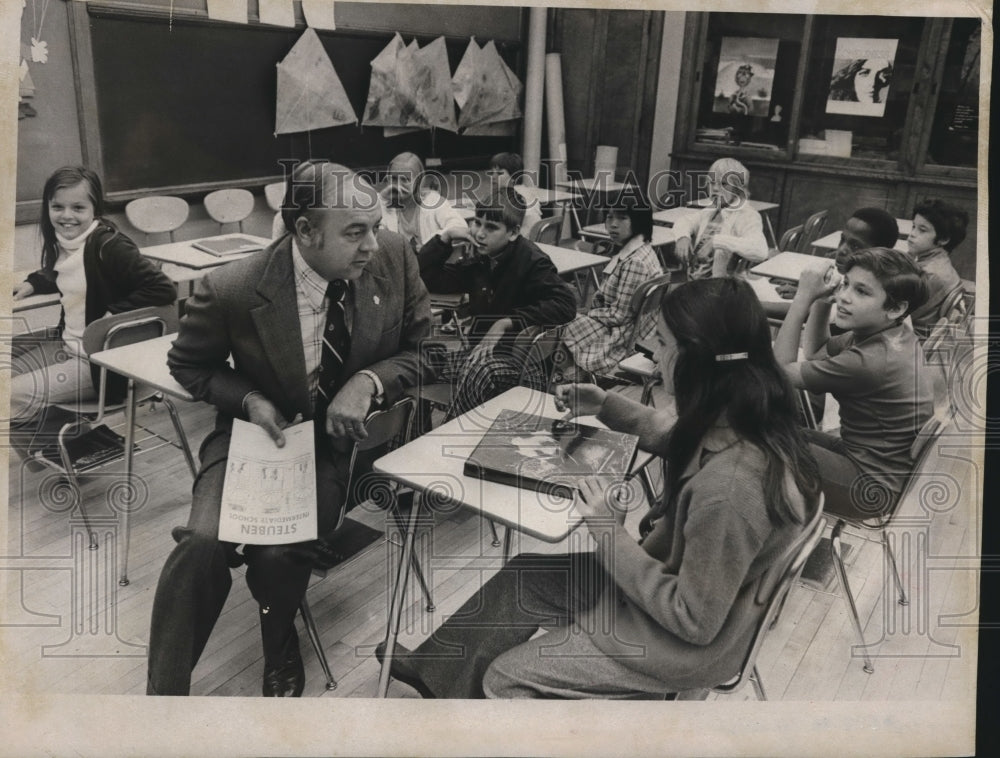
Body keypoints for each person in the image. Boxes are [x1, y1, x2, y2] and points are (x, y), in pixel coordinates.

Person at [376, 277, 822, 699]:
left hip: (676, 643)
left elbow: (693, 621)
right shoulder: (739, 411)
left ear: (698, 359)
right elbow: (673, 436)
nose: (653, 353)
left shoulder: (731, 491)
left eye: (663, 343)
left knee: (507, 681)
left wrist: (609, 531)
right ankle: (438, 670)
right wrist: (605, 404)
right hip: (660, 582)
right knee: (523, 576)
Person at [147, 161, 431, 697]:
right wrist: (249, 398)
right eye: (355, 231)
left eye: (374, 225)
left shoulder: (394, 256)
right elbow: (188, 367)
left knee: (278, 551)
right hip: (251, 439)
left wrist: (369, 380)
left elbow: (426, 350)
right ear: (304, 230)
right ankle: (163, 701)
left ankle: (279, 644)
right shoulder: (233, 287)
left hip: (335, 449)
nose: (373, 242)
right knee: (201, 544)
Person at [10, 166, 176, 441]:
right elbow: (69, 272)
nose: (66, 216)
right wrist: (34, 283)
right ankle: (77, 441)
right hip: (70, 346)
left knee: (9, 396)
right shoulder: (68, 242)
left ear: (94, 209)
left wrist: (112, 315)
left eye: (78, 207)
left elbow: (163, 289)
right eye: (57, 206)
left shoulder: (109, 245)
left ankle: (72, 445)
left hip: (101, 364)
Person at [773, 247, 932, 521]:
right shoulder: (890, 333)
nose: (844, 297)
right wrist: (823, 301)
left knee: (756, 446)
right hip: (871, 465)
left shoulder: (871, 360)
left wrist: (802, 298)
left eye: (862, 291)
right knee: (770, 431)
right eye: (846, 284)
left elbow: (780, 371)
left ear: (895, 308)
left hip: (869, 488)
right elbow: (817, 351)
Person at [417, 185, 577, 417]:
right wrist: (445, 238)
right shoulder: (481, 259)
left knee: (477, 368)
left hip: (524, 367)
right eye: (477, 222)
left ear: (513, 233)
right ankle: (418, 435)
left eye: (491, 227)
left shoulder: (532, 261)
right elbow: (426, 278)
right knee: (419, 363)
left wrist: (507, 321)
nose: (480, 233)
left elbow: (566, 304)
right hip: (481, 355)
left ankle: (455, 437)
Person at [556, 194, 663, 381]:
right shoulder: (643, 249)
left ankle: (573, 375)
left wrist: (589, 314)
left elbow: (620, 315)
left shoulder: (635, 262)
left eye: (622, 218)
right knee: (563, 313)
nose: (613, 224)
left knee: (556, 320)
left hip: (618, 336)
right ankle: (572, 372)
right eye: (609, 217)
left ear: (638, 220)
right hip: (625, 327)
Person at [672, 158, 768, 280]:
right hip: (696, 281)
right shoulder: (712, 210)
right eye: (712, 183)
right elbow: (685, 221)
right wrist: (682, 237)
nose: (715, 189)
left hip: (720, 287)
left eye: (723, 184)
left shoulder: (746, 214)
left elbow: (760, 250)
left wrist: (716, 241)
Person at [379, 151, 468, 255]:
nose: (398, 185)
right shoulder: (386, 203)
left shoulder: (433, 201)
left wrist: (429, 245)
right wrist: (381, 200)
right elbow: (373, 235)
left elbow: (460, 226)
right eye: (393, 178)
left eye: (405, 179)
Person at [904, 199, 968, 339]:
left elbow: (896, 313)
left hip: (910, 339)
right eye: (913, 226)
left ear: (943, 239)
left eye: (922, 230)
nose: (912, 234)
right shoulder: (938, 263)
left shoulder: (928, 274)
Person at [487, 152, 543, 240]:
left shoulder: (513, 197)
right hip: (531, 242)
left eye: (499, 173)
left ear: (514, 176)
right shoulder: (524, 191)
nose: (493, 177)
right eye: (491, 173)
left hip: (520, 242)